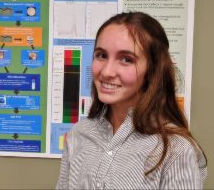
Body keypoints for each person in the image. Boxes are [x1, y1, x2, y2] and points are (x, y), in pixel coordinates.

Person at [56, 12, 207, 189]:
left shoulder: (176, 150)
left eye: (126, 59)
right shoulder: (79, 134)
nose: (106, 72)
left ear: (153, 70)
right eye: (101, 55)